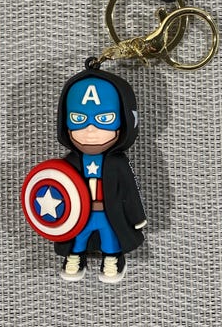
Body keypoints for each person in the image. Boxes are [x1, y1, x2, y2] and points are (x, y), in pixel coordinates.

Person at [54, 69, 147, 283]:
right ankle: (75, 257)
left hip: (108, 211)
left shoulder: (117, 163)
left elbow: (129, 190)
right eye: (79, 119)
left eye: (104, 119)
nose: (90, 130)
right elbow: (57, 187)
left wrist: (136, 216)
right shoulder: (70, 161)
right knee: (78, 237)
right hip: (79, 212)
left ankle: (112, 259)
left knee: (110, 237)